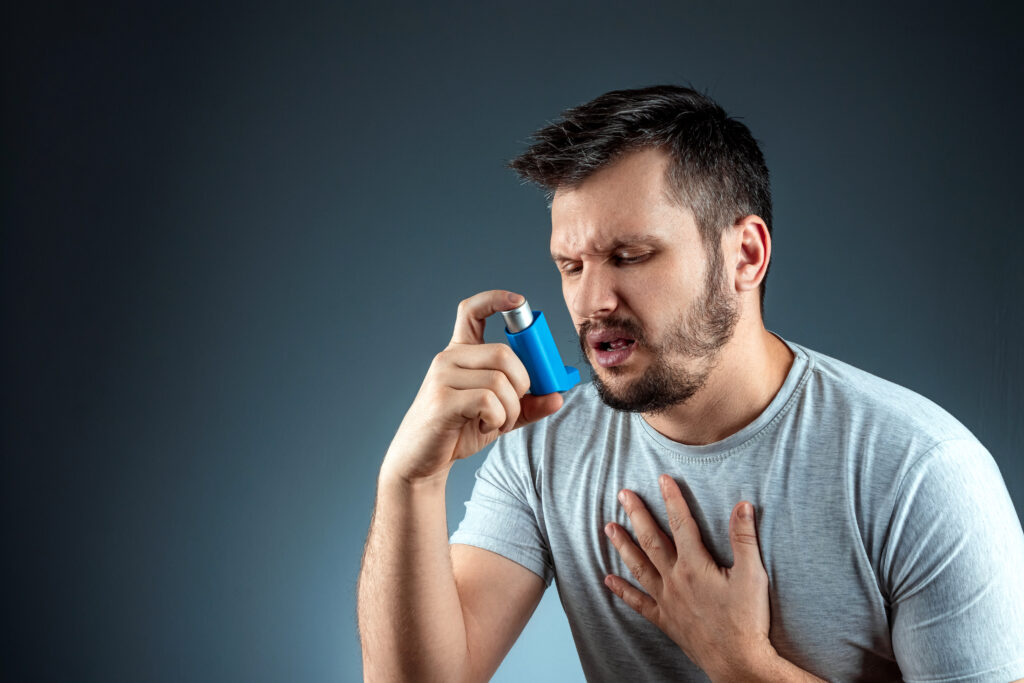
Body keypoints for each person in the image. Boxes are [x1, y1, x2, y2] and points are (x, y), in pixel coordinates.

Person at [357, 85, 1024, 682]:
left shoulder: (922, 473)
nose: (591, 301)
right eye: (571, 266)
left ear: (745, 256)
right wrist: (410, 481)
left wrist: (742, 665)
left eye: (629, 256)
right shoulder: (542, 447)